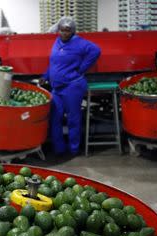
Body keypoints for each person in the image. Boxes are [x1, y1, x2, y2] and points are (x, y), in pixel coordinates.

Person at [40, 17, 101, 156]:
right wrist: (45, 76)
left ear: (73, 31)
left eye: (68, 30)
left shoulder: (79, 43)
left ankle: (73, 149)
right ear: (58, 30)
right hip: (57, 88)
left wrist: (82, 69)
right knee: (55, 118)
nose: (64, 33)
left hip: (72, 86)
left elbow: (96, 50)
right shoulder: (57, 42)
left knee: (73, 119)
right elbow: (54, 63)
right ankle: (59, 149)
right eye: (62, 30)